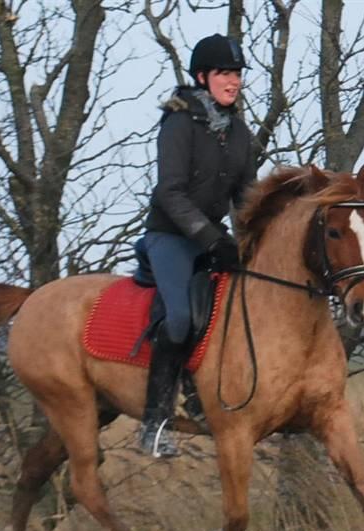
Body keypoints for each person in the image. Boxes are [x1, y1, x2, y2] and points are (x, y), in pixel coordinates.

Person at [135, 33, 256, 458]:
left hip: (211, 240)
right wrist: (211, 238)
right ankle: (154, 422)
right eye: (225, 73)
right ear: (203, 77)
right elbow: (170, 193)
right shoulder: (179, 124)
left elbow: (245, 198)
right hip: (169, 236)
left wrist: (252, 242)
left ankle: (205, 396)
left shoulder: (239, 132)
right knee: (182, 317)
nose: (234, 81)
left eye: (237, 74)